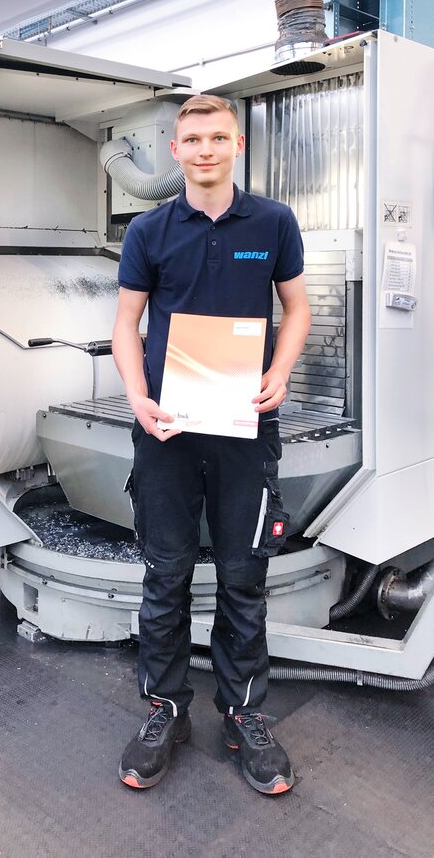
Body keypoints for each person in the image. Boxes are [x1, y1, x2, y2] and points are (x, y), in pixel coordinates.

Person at [112, 95, 311, 795]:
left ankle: (243, 714)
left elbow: (297, 307)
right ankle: (165, 709)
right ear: (175, 151)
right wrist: (137, 397)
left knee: (242, 577)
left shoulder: (273, 222)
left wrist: (280, 371)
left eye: (217, 138)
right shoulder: (148, 230)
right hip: (167, 430)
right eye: (192, 139)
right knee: (165, 575)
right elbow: (126, 324)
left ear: (236, 146)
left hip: (243, 429)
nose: (205, 150)